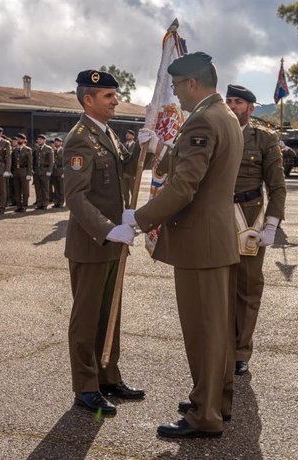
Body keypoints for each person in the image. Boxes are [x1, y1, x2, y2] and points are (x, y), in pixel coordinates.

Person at [129, 52, 244, 438]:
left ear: (192, 83)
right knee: (216, 330)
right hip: (214, 240)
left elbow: (183, 186)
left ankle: (205, 415)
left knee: (203, 332)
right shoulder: (225, 116)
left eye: (177, 87)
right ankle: (214, 398)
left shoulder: (204, 122)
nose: (175, 96)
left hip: (200, 242)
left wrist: (140, 218)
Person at [63, 69, 144, 417]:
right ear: (88, 100)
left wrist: (145, 144)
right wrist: (109, 229)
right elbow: (75, 197)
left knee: (110, 312)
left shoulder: (106, 133)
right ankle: (86, 387)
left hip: (112, 242)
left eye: (115, 95)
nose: (116, 101)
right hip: (92, 242)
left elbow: (126, 168)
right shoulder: (79, 138)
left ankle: (108, 375)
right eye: (109, 97)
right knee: (87, 318)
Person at [224, 84, 286, 376]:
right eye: (229, 101)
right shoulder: (216, 132)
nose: (232, 106)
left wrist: (272, 224)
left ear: (251, 107)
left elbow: (277, 187)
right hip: (218, 217)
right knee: (218, 288)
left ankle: (240, 349)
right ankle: (220, 346)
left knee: (247, 288)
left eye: (238, 102)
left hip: (249, 220)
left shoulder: (264, 138)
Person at [11, 133, 33, 212]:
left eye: (21, 139)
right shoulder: (15, 150)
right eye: (18, 139)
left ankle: (24, 205)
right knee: (17, 190)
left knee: (25, 190)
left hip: (24, 171)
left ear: (24, 140)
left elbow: (30, 163)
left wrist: (29, 174)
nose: (19, 140)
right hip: (16, 171)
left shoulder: (28, 150)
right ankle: (18, 206)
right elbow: (13, 161)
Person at [32, 134, 54, 210]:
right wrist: (33, 169)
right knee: (38, 188)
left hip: (45, 171)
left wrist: (49, 171)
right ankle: (39, 203)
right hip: (37, 171)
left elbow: (51, 161)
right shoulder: (36, 149)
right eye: (38, 140)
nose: (39, 141)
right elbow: (34, 160)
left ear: (44, 140)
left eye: (40, 140)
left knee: (45, 188)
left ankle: (45, 203)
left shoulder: (49, 149)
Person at [120, 129, 139, 208]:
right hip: (124, 172)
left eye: (129, 134)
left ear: (133, 136)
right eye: (126, 134)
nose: (127, 135)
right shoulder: (122, 145)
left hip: (132, 173)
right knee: (125, 192)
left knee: (133, 191)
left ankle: (133, 207)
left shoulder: (136, 146)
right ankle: (127, 205)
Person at [50, 137, 64, 207]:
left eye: (58, 142)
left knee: (61, 188)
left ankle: (61, 202)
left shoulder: (63, 151)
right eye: (55, 142)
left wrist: (64, 173)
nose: (56, 143)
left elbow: (66, 162)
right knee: (55, 189)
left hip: (60, 171)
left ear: (61, 143)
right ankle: (56, 202)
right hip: (54, 171)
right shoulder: (53, 150)